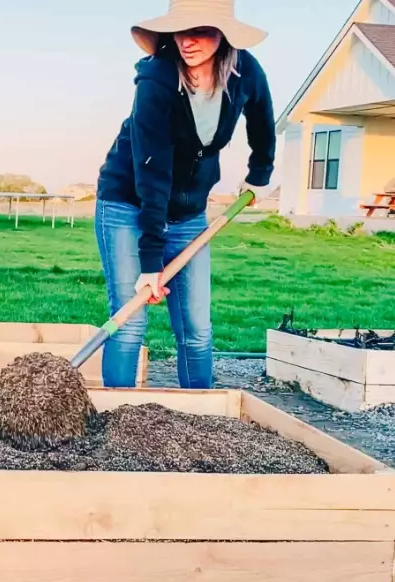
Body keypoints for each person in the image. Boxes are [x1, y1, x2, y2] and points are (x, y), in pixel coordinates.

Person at [95, 0, 276, 389]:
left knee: (196, 327)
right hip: (129, 203)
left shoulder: (244, 71)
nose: (188, 41)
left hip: (190, 213)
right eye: (181, 30)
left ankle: (201, 414)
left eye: (201, 31)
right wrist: (149, 262)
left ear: (223, 35)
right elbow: (152, 171)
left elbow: (263, 120)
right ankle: (115, 420)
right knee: (130, 319)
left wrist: (258, 174)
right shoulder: (157, 79)